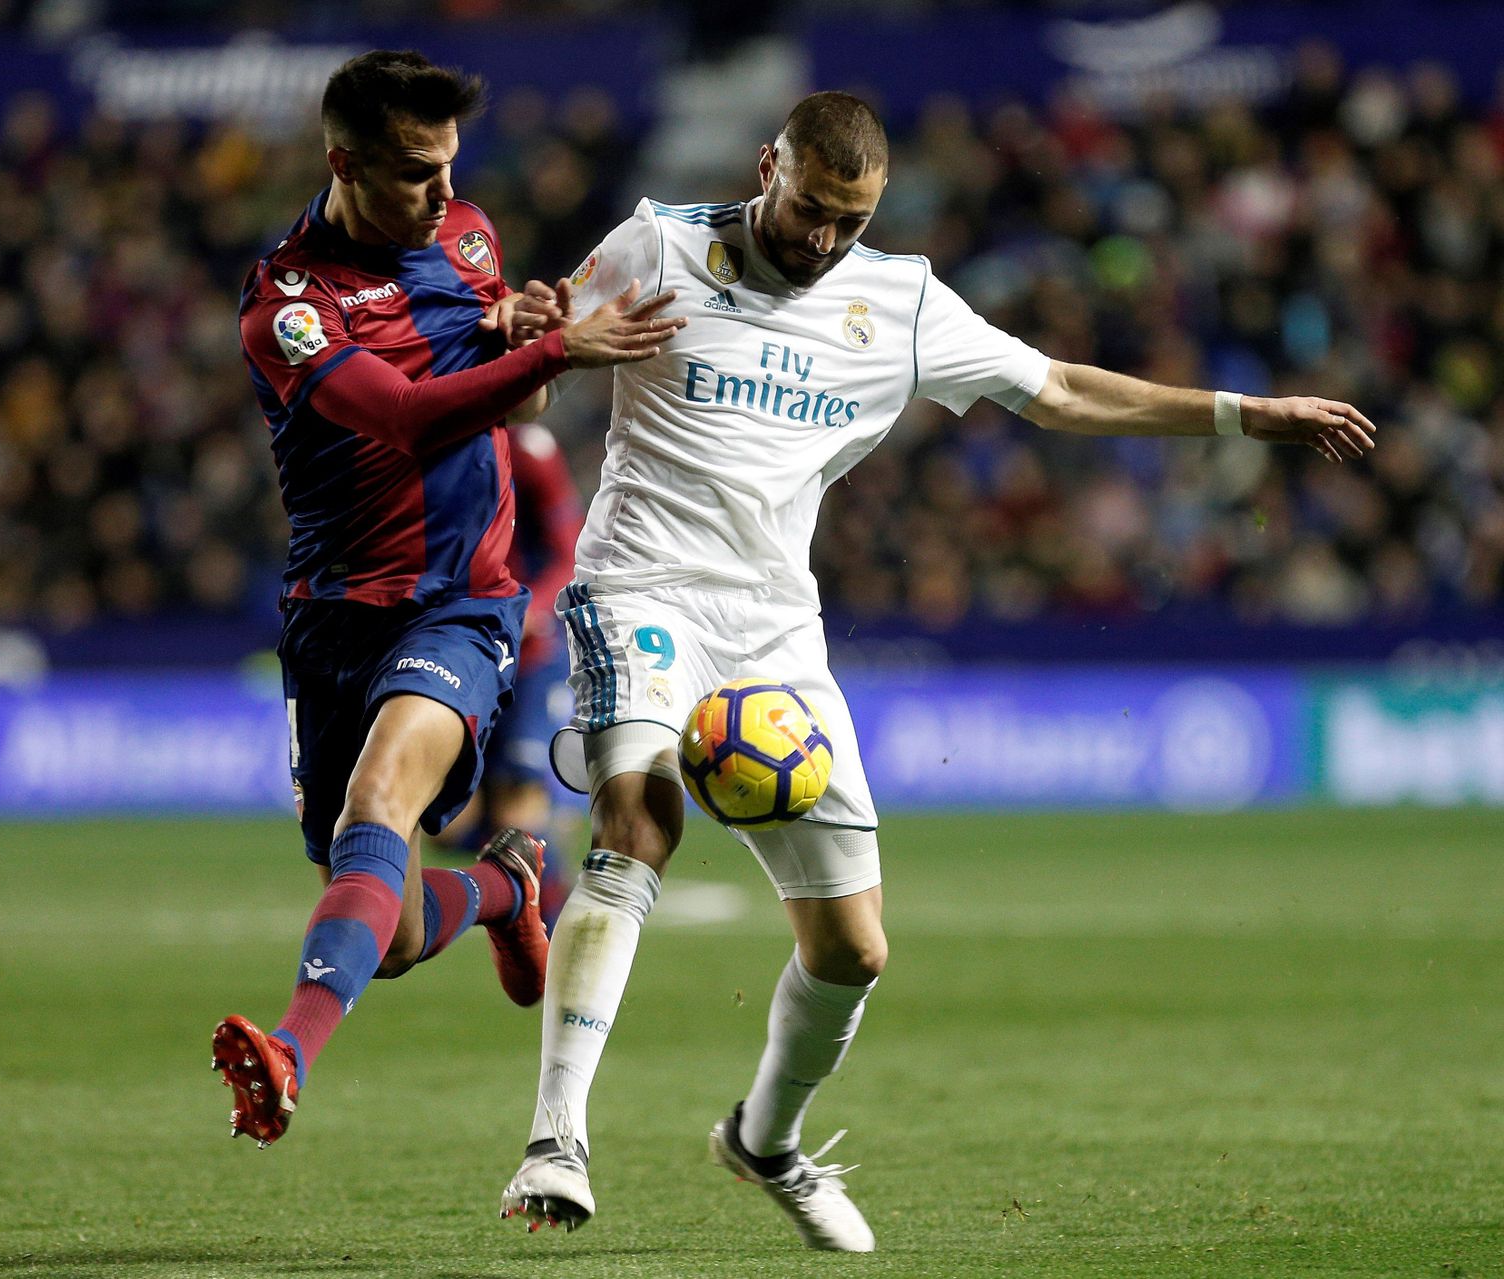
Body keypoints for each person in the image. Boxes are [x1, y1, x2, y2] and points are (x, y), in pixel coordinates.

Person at [495, 92, 1376, 1249]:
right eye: (810, 208)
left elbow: (1057, 389)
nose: (822, 239)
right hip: (638, 589)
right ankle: (556, 1138)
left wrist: (1245, 415)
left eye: (847, 221)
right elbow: (531, 390)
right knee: (637, 819)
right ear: (770, 166)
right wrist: (532, 341)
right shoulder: (655, 245)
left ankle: (763, 1140)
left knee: (854, 950)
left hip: (776, 630)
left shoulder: (896, 300)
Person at [211, 49, 685, 1149]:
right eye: (416, 173)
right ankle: (511, 890)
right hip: (334, 616)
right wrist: (555, 345)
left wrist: (517, 322)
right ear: (344, 164)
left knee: (378, 801)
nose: (442, 192)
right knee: (401, 924)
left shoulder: (465, 234)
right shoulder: (289, 302)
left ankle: (288, 1053)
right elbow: (406, 417)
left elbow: (482, 345)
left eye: (449, 166)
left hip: (458, 605)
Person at [428, 421, 587, 932]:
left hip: (533, 655)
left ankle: (556, 932)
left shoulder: (530, 451)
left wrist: (534, 608)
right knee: (450, 827)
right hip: (465, 651)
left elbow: (571, 551)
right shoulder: (433, 443)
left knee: (518, 808)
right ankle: (534, 873)